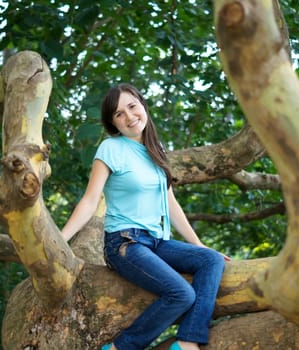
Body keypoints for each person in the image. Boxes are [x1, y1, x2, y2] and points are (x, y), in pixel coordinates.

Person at [61, 83, 229, 350]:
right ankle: (119, 347)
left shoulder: (156, 149)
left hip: (157, 242)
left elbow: (171, 203)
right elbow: (90, 200)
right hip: (124, 243)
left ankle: (187, 342)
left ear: (142, 105)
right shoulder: (111, 148)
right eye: (119, 114)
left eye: (132, 106)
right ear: (113, 123)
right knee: (181, 293)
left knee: (210, 259)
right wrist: (60, 240)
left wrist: (198, 245)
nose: (129, 116)